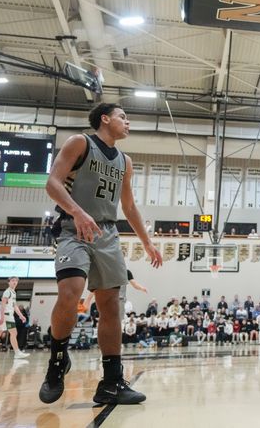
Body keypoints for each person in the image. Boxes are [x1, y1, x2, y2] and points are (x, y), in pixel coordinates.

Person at [40, 103, 163, 405]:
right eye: (123, 116)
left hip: (107, 234)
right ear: (105, 119)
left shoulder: (125, 161)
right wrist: (77, 212)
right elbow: (52, 183)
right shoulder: (80, 143)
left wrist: (147, 241)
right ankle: (57, 360)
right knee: (71, 291)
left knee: (111, 308)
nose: (128, 121)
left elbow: (129, 206)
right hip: (73, 227)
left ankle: (111, 383)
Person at [0, 277, 29, 360]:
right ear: (9, 282)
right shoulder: (7, 292)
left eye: (16, 281)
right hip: (6, 316)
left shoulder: (13, 292)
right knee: (13, 333)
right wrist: (2, 317)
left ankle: (17, 352)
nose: (15, 282)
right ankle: (17, 353)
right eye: (13, 280)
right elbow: (3, 305)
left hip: (9, 316)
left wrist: (21, 315)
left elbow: (15, 306)